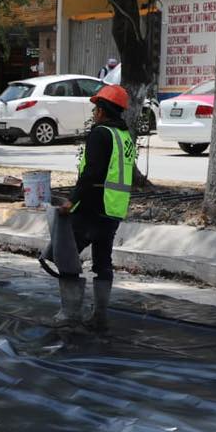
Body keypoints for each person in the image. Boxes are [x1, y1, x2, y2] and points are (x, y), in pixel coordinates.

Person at [54, 84, 135, 332]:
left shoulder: (100, 134)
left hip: (91, 208)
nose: (93, 113)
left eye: (95, 108)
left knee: (67, 258)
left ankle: (69, 314)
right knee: (102, 262)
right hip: (113, 209)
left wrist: (72, 200)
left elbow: (91, 173)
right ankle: (100, 316)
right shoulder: (124, 136)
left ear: (102, 110)